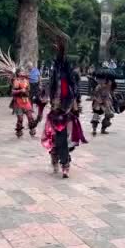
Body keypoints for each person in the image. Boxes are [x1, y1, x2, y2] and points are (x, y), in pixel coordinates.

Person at [41, 38, 87, 178]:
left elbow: (75, 96)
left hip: (67, 115)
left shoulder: (70, 82)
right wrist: (46, 99)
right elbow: (48, 92)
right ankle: (55, 159)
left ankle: (65, 165)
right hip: (55, 114)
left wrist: (75, 108)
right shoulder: (54, 80)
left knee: (64, 141)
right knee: (55, 142)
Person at [11, 68, 38, 137]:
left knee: (30, 116)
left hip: (26, 101)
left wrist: (26, 92)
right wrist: (20, 91)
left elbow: (28, 90)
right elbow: (13, 91)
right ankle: (19, 131)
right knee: (20, 118)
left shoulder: (26, 80)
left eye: (23, 71)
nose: (23, 72)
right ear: (18, 73)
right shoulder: (16, 81)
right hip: (18, 102)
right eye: (21, 71)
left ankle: (32, 130)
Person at [91, 69, 116, 135]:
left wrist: (113, 98)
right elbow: (94, 95)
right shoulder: (98, 86)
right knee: (96, 116)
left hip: (107, 102)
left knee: (108, 115)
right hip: (98, 102)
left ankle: (103, 129)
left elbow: (111, 92)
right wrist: (99, 100)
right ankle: (94, 129)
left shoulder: (110, 85)